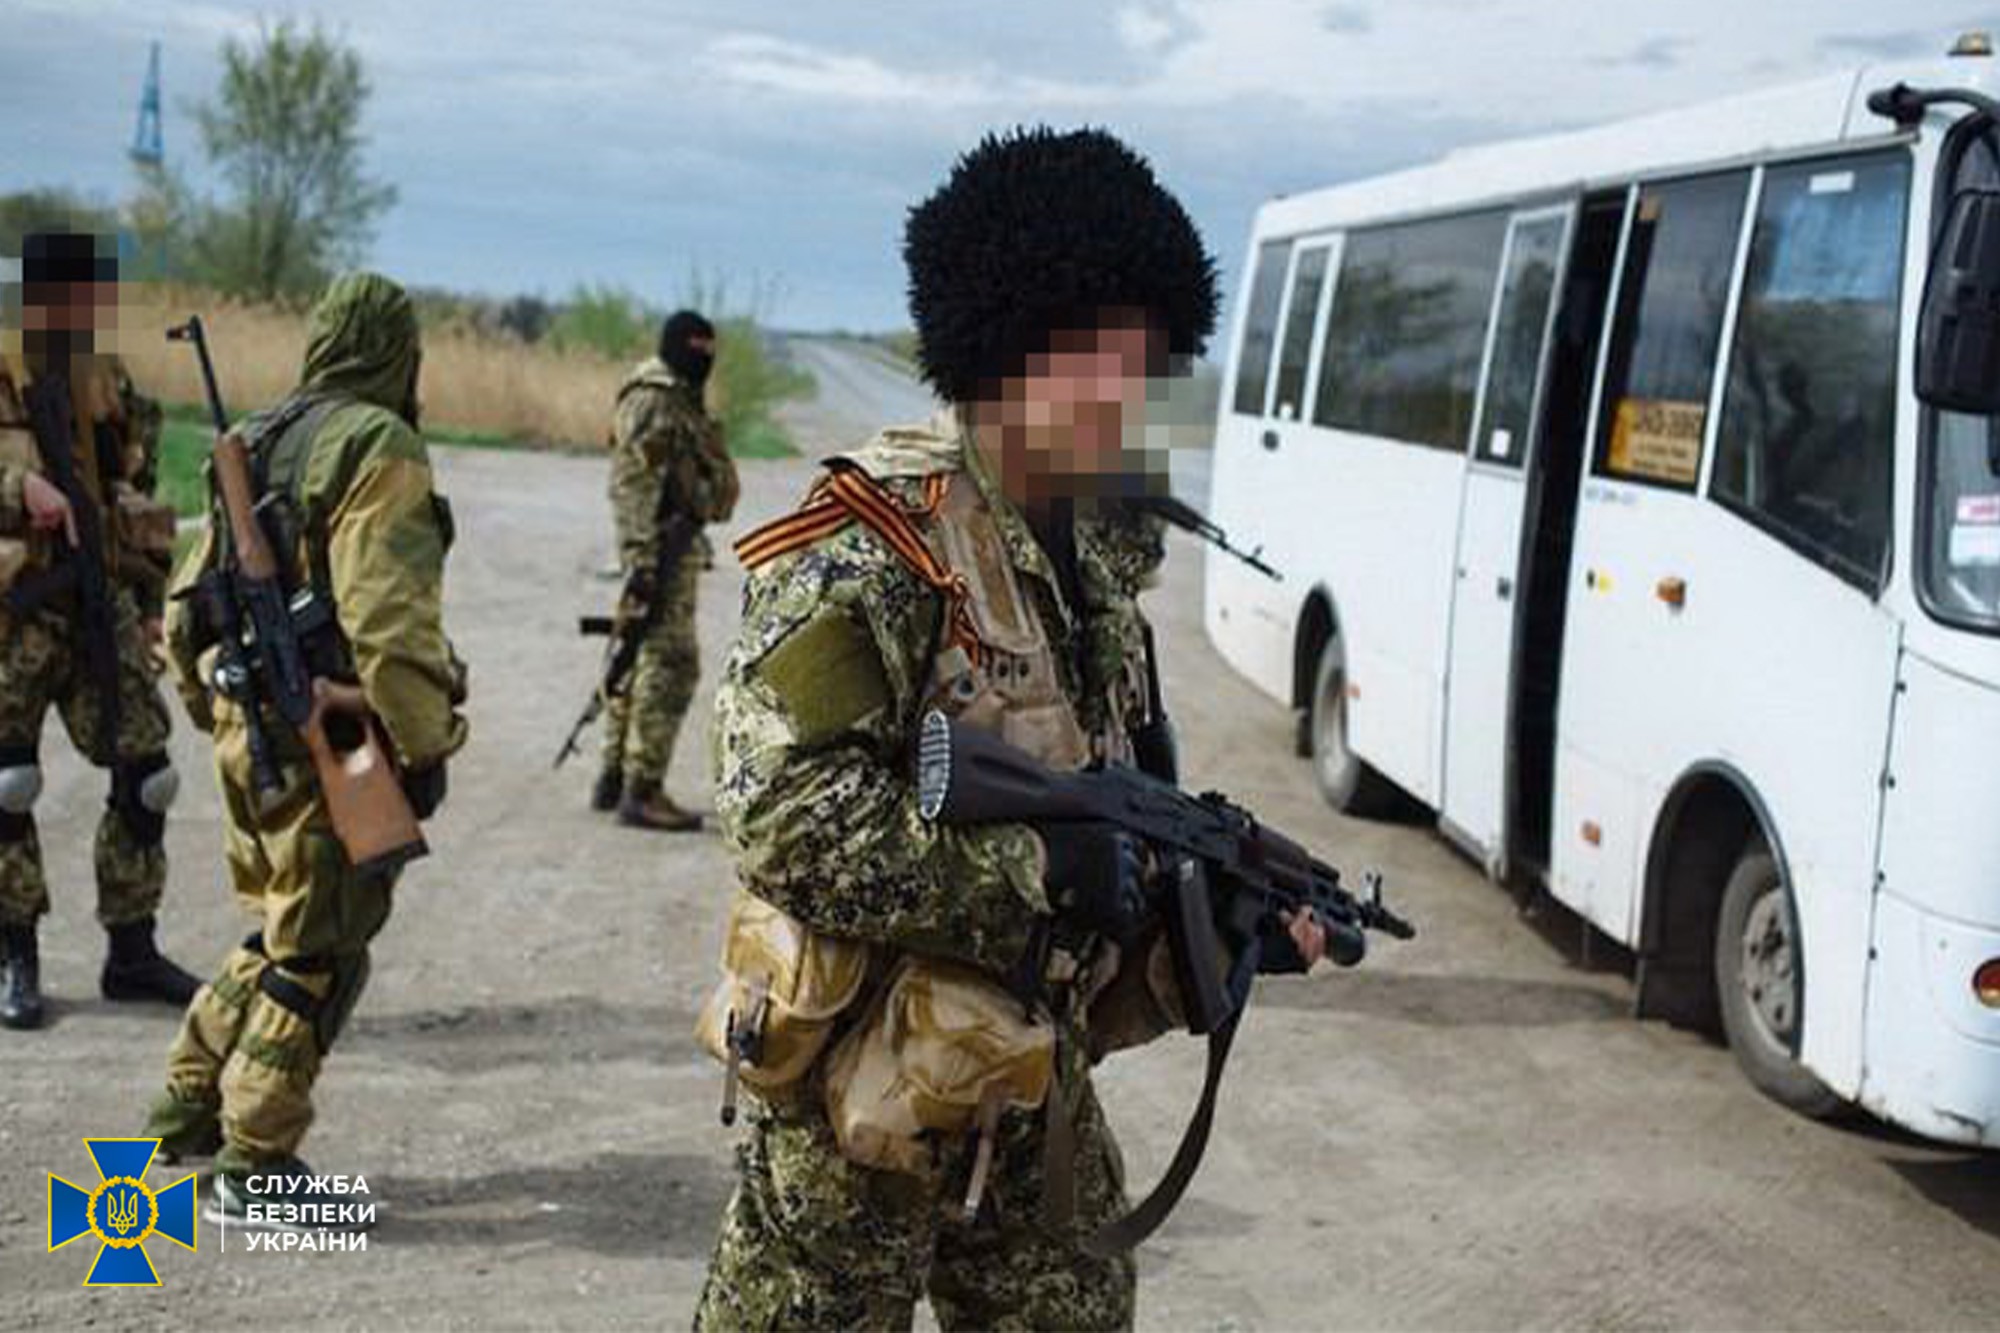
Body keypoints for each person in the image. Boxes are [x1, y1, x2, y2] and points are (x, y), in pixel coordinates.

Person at [692, 128, 1327, 1332]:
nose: (1124, 398)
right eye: (1093, 361)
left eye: (1144, 365)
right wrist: (1031, 871)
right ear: (1001, 348)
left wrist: (1208, 925)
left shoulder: (1087, 568)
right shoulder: (868, 551)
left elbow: (1099, 811)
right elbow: (780, 813)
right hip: (858, 1109)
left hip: (1025, 1079)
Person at [141, 272, 467, 1227]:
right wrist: (423, 738)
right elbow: (389, 619)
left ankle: (183, 1105)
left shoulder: (265, 432)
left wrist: (213, 711)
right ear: (397, 353)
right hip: (332, 735)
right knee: (323, 948)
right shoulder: (378, 443)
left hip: (253, 729)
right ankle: (256, 1163)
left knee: (283, 923)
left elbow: (186, 599)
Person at [0, 230, 198, 1030]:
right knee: (6, 782)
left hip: (97, 602)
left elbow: (133, 490)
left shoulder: (102, 381)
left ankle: (132, 947)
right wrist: (20, 485)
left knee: (149, 772)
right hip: (15, 608)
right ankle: (14, 951)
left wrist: (149, 598)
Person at [594, 309, 738, 830]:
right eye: (698, 348)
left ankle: (616, 778)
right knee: (672, 664)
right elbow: (632, 484)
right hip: (659, 552)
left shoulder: (676, 394)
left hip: (669, 549)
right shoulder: (655, 399)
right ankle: (642, 789)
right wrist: (643, 561)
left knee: (639, 657)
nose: (705, 358)